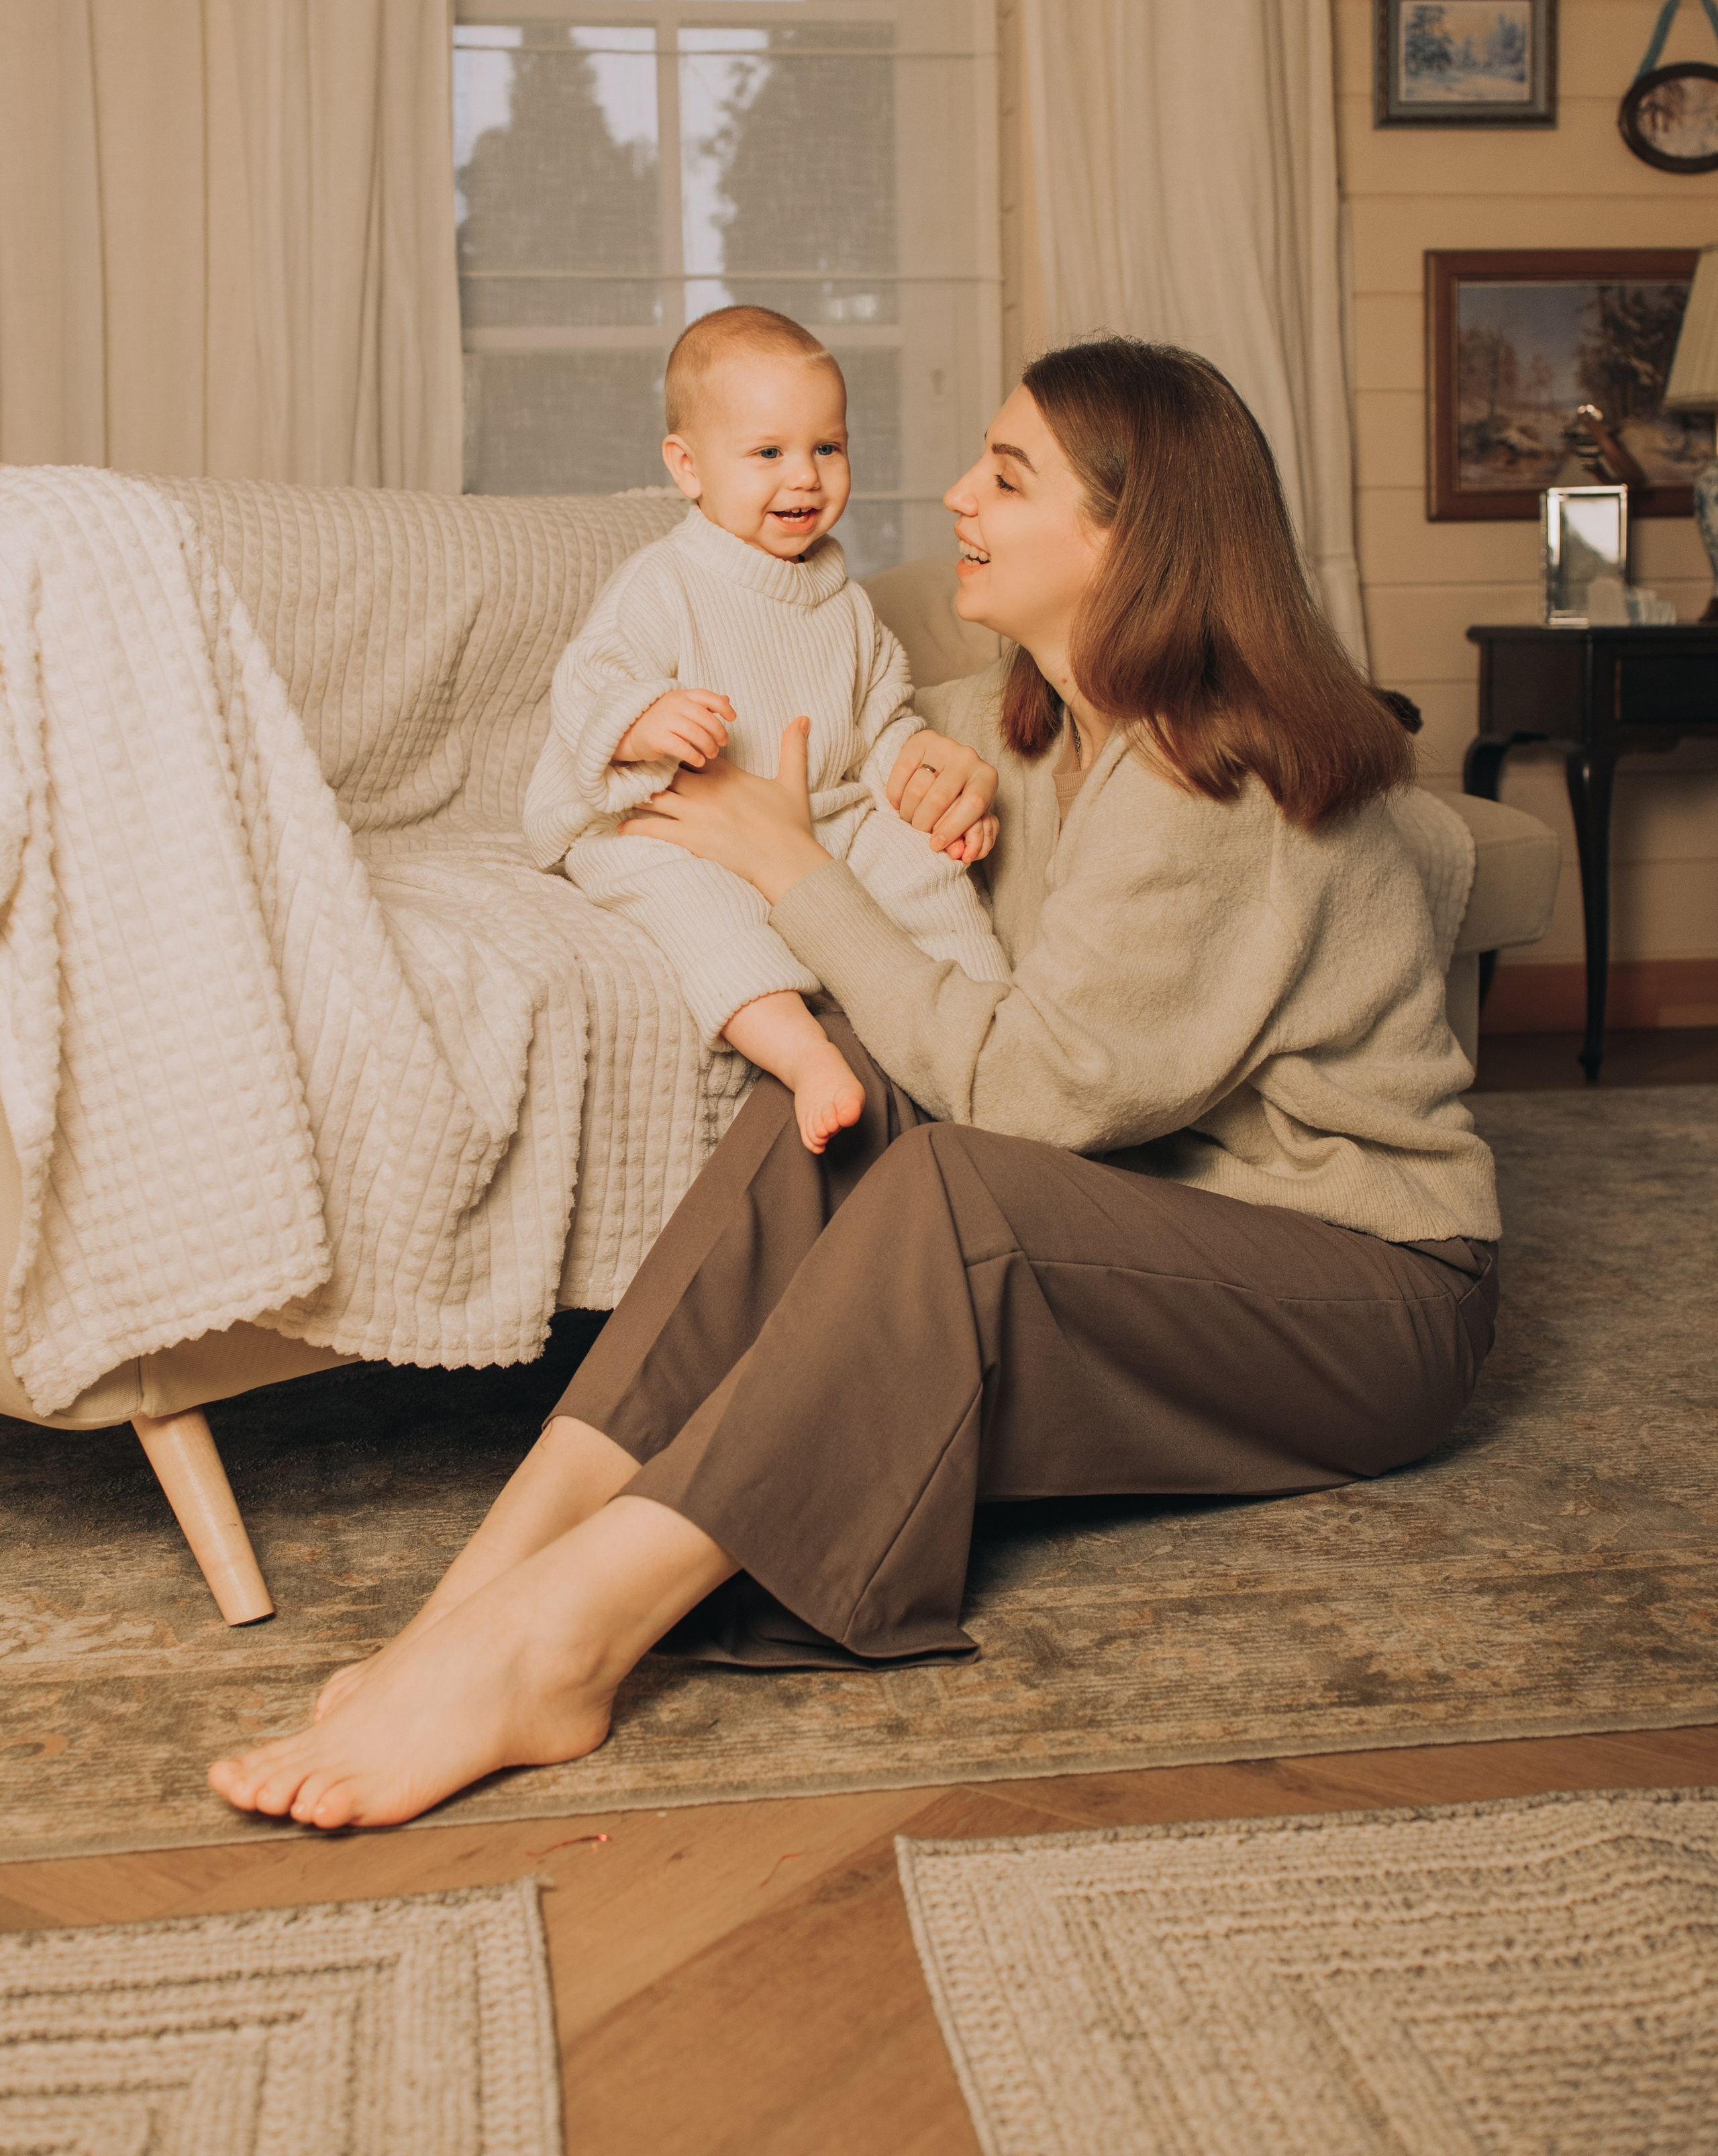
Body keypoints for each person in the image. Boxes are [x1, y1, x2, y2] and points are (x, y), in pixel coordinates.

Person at [209, 338, 1501, 1832]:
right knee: (824, 1103)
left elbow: (1025, 1100)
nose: (951, 493)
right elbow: (854, 731)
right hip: (1172, 1223)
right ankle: (485, 1583)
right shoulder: (1042, 716)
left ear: (1121, 534)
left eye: (1004, 476)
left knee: (952, 1175)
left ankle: (556, 1643)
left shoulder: (1209, 779)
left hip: (1369, 1292)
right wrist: (886, 775)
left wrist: (787, 859)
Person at [523, 303, 1008, 1153]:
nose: (806, 479)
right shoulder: (665, 581)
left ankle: (992, 1022)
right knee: (691, 902)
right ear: (689, 468)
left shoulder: (845, 604)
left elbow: (878, 714)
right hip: (681, 821)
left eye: (828, 447)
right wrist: (641, 719)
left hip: (823, 812)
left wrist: (912, 771)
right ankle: (802, 1050)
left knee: (916, 862)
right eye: (768, 453)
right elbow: (589, 678)